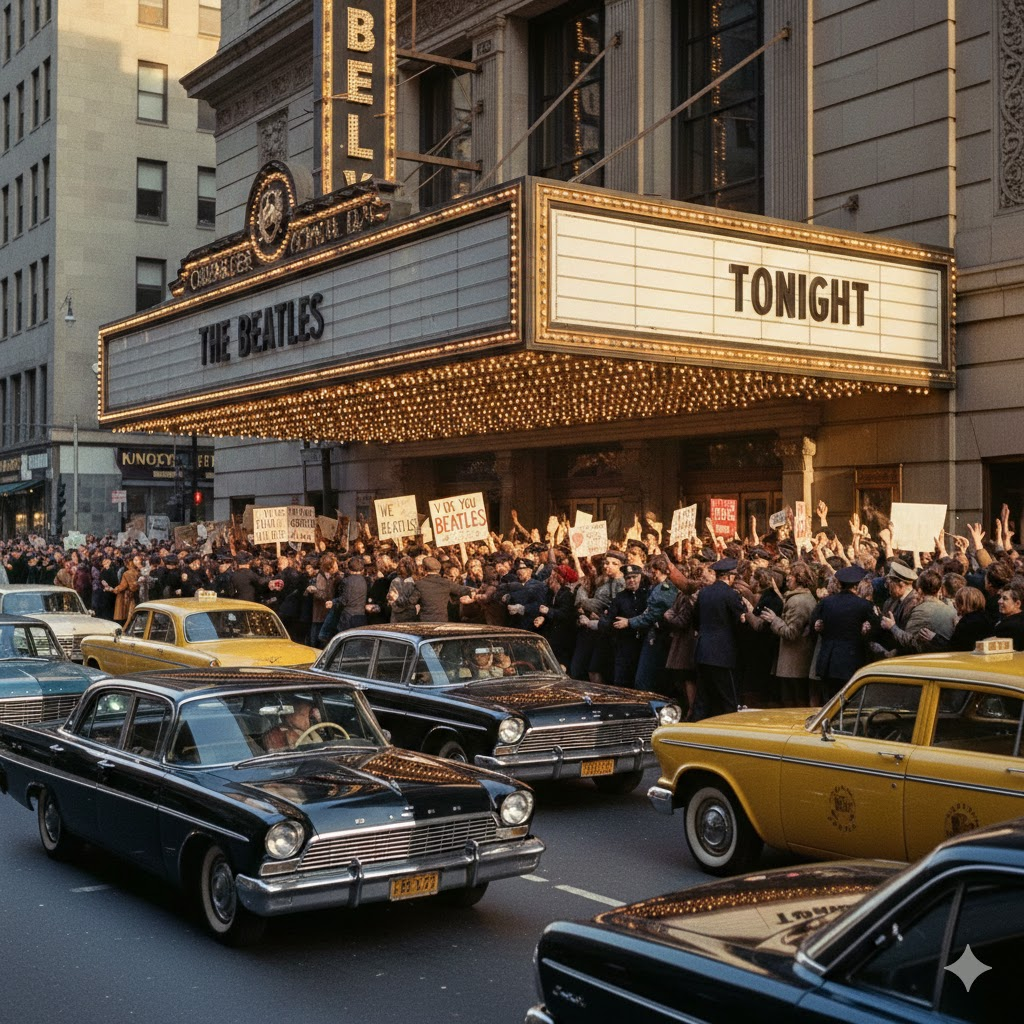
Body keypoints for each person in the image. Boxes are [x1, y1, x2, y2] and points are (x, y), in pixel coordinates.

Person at [813, 565, 877, 702]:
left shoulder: (826, 602)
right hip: (852, 660)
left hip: (828, 660)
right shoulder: (864, 605)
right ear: (857, 585)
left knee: (829, 702)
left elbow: (815, 622)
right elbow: (875, 629)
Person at [693, 558, 747, 718]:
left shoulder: (703, 593)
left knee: (702, 698)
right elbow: (740, 623)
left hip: (703, 651)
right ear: (729, 577)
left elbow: (695, 620)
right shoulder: (731, 594)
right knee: (729, 699)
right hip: (723, 653)